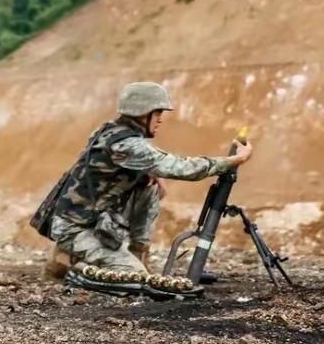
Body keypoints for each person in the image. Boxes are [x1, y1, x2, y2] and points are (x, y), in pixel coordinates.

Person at [32, 81, 253, 278]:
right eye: (157, 113)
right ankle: (71, 260)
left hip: (90, 220)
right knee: (133, 276)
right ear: (142, 113)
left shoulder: (111, 130)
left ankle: (135, 255)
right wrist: (232, 161)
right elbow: (181, 168)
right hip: (74, 228)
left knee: (150, 188)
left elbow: (134, 164)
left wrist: (150, 174)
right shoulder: (127, 144)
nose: (160, 120)